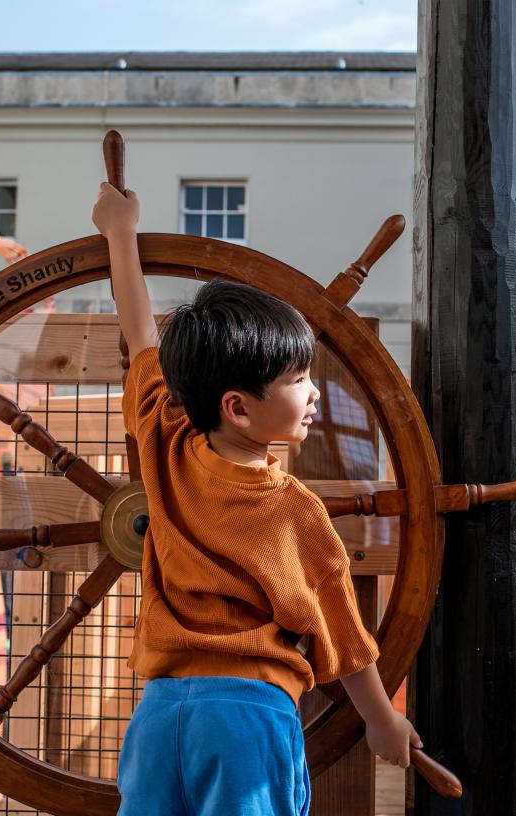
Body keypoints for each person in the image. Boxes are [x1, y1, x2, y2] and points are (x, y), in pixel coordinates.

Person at [91, 181, 421, 816]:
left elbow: (140, 337)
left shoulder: (166, 435)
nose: (314, 392)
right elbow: (344, 634)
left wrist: (120, 233)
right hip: (247, 717)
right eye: (298, 380)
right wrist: (382, 723)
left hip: (160, 717)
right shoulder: (295, 510)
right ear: (238, 408)